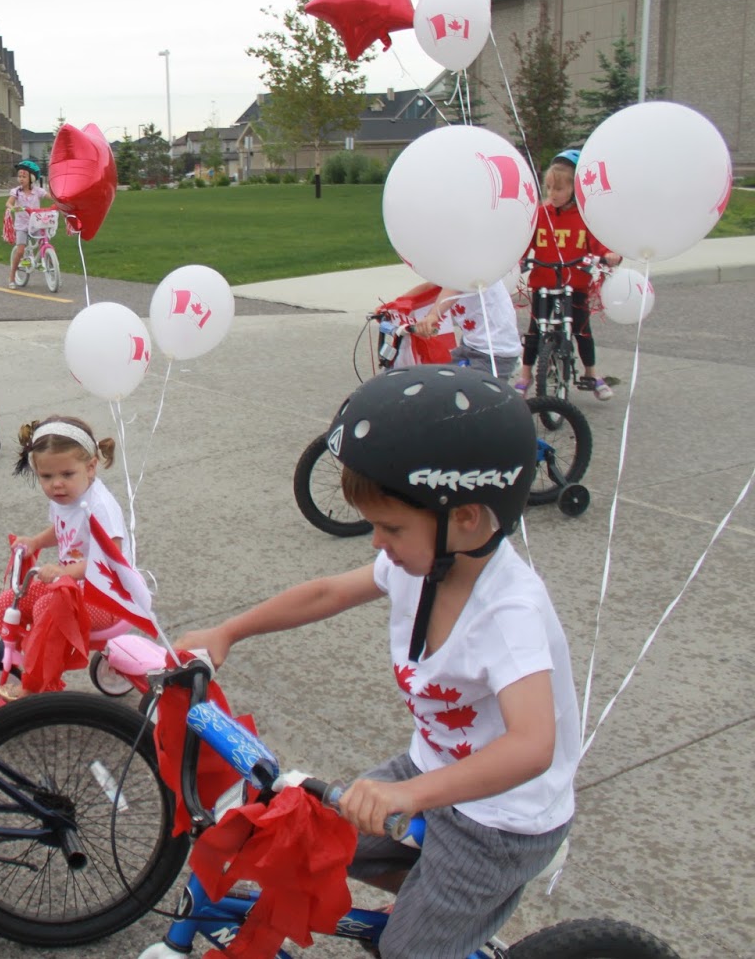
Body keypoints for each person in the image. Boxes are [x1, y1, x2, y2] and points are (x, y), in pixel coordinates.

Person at [176, 365, 578, 959]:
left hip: (500, 820)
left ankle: (444, 918)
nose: (376, 542)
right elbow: (328, 593)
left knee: (404, 951)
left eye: (390, 526)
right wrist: (228, 631)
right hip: (428, 770)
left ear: (465, 517)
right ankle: (437, 906)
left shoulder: (508, 611)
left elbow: (532, 745)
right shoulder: (425, 560)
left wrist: (407, 799)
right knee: (303, 839)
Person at [0, 416, 124, 695]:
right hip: (71, 587)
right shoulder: (66, 500)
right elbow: (60, 529)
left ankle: (38, 684)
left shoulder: (100, 507)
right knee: (10, 600)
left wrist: (66, 573)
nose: (56, 485)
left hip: (107, 597)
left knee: (47, 609)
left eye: (67, 474)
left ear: (91, 468)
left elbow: (111, 560)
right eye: (47, 476)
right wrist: (34, 542)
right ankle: (3, 664)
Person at [517, 149, 623, 399]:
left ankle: (591, 373)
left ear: (573, 190)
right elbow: (524, 242)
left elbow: (598, 244)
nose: (553, 194)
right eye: (550, 188)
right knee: (534, 331)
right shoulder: (541, 215)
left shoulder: (584, 218)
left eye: (559, 189)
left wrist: (609, 254)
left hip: (575, 284)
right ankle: (524, 375)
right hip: (542, 282)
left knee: (581, 329)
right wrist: (518, 257)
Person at [409, 279, 520, 380]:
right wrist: (398, 304)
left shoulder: (470, 267)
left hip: (495, 351)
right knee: (437, 380)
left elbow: (456, 285)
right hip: (470, 345)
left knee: (477, 396)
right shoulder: (451, 273)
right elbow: (431, 286)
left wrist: (433, 314)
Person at [5, 160, 48, 288]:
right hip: (22, 226)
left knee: (44, 240)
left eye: (24, 176)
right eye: (19, 176)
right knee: (20, 250)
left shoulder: (38, 191)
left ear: (32, 178)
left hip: (35, 223)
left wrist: (60, 202)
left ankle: (43, 261)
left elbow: (50, 196)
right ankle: (12, 277)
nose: (21, 179)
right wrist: (12, 208)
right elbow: (8, 203)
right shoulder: (16, 192)